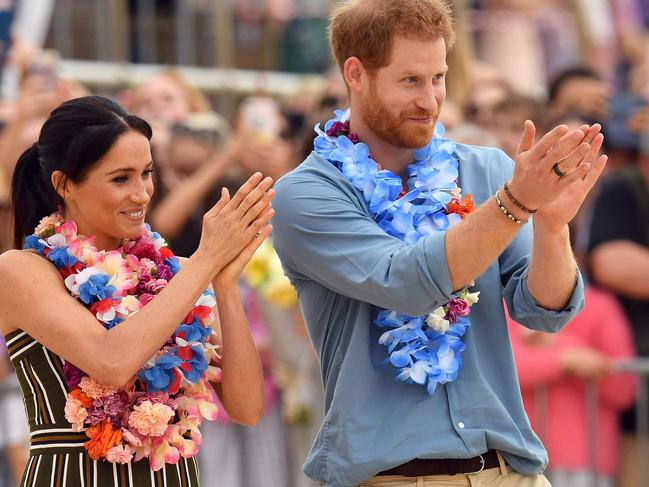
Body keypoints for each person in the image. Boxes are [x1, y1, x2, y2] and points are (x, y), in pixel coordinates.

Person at [271, 1, 608, 486]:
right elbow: (404, 281)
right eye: (410, 81)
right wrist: (517, 203)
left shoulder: (488, 170)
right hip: (389, 478)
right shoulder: (305, 193)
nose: (430, 100)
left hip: (509, 471)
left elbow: (544, 311)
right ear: (356, 74)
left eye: (439, 77)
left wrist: (553, 227)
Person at [0, 95, 274, 486]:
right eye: (120, 178)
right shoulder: (20, 269)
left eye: (146, 173)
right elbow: (111, 363)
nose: (142, 193)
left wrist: (224, 287)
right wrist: (203, 262)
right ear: (64, 184)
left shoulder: (171, 273)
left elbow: (247, 408)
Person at [507, 286, 636, 487]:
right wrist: (565, 359)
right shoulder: (504, 303)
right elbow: (500, 368)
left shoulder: (600, 304)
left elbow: (624, 388)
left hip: (583, 462)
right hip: (513, 459)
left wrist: (563, 351)